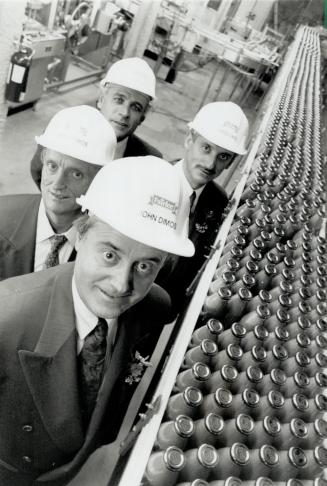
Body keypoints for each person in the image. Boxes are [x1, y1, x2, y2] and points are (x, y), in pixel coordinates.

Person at [0, 155, 194, 486]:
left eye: (145, 265)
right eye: (110, 255)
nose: (122, 285)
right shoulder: (7, 318)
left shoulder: (155, 307)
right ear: (80, 234)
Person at [0, 105, 117, 280]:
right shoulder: (2, 217)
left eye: (76, 174)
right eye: (52, 166)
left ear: (98, 181)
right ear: (42, 161)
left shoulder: (109, 250)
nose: (57, 183)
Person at [157, 101, 249, 313]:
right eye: (206, 148)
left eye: (223, 157)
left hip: (167, 310)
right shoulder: (154, 179)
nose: (210, 164)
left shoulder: (218, 201)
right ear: (190, 139)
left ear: (231, 162)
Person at [30, 57, 161, 188]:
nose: (125, 113)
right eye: (119, 100)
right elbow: (38, 173)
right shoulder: (61, 132)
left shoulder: (149, 162)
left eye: (136, 107)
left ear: (142, 117)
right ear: (101, 100)